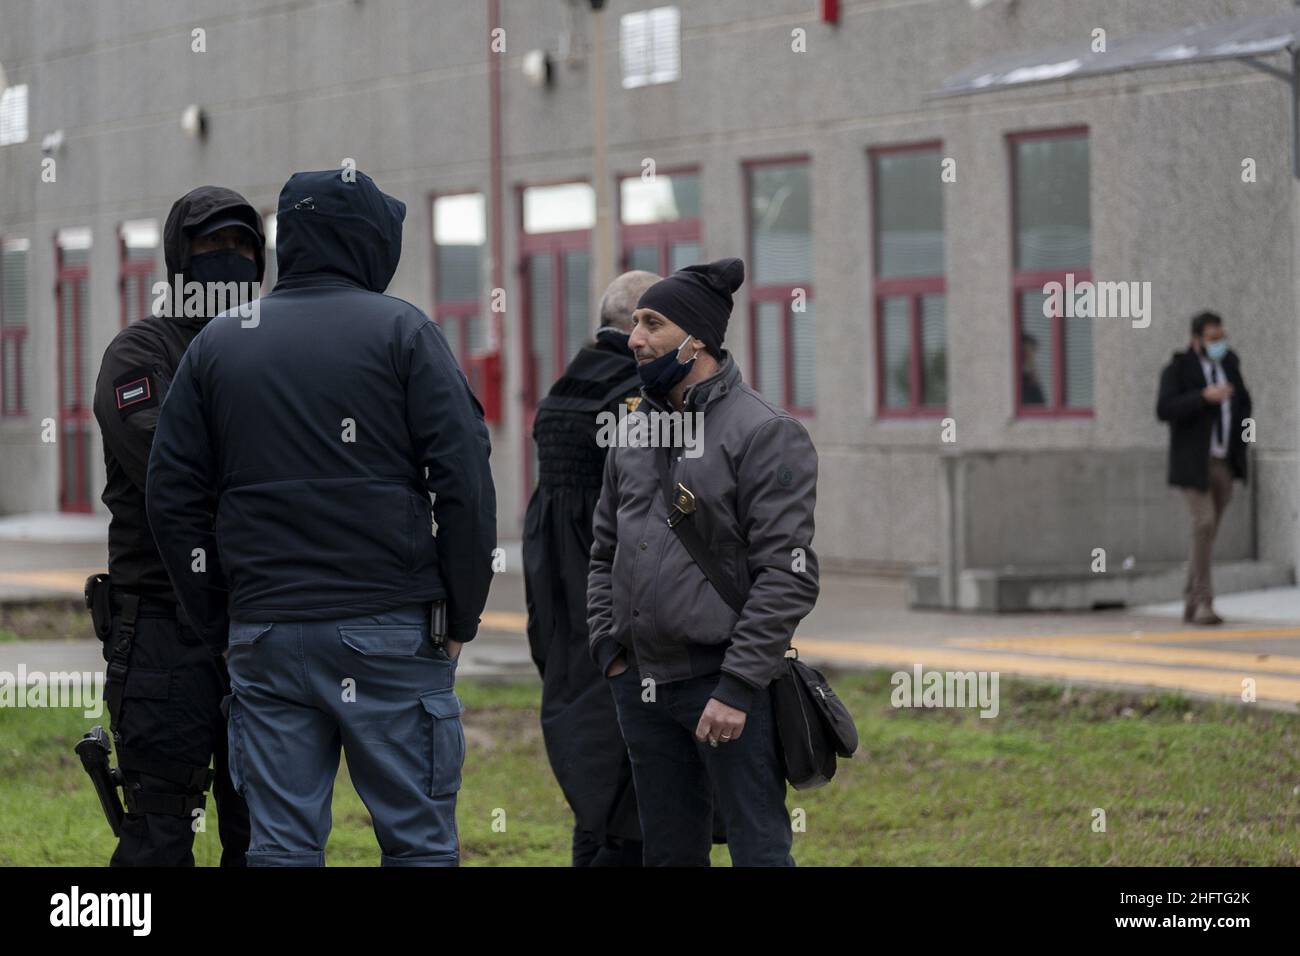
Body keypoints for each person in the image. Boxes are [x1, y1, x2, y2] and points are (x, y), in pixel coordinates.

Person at [145, 169, 496, 866]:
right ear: (368, 241)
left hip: (266, 632)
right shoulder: (403, 330)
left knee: (280, 847)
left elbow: (169, 491)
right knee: (419, 842)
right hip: (390, 628)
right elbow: (464, 481)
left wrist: (221, 616)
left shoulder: (221, 341)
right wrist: (461, 617)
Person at [587, 257, 820, 866]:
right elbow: (603, 551)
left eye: (652, 323)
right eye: (635, 322)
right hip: (639, 685)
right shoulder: (631, 432)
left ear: (698, 341)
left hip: (726, 685)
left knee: (758, 849)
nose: (635, 339)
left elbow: (787, 574)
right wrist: (608, 653)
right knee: (667, 856)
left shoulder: (766, 432)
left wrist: (738, 686)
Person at [90, 186, 262, 866]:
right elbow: (175, 473)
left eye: (243, 247)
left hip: (258, 630)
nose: (229, 260)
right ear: (178, 258)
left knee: (264, 832)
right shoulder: (141, 352)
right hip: (164, 634)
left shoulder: (269, 347)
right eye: (211, 246)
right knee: (161, 834)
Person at [523, 270, 658, 867]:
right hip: (617, 616)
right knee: (637, 794)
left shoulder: (562, 389)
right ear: (638, 324)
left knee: (595, 786)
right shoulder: (635, 395)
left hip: (561, 608)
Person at [1156, 310, 1253, 625]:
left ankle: (1190, 597)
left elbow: (1244, 403)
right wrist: (1202, 398)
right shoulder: (1178, 368)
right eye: (1212, 339)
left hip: (1224, 461)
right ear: (1196, 340)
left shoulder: (1230, 364)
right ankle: (1203, 603)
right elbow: (1165, 409)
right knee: (1203, 524)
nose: (1218, 344)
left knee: (1207, 534)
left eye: (1221, 337)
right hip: (1194, 463)